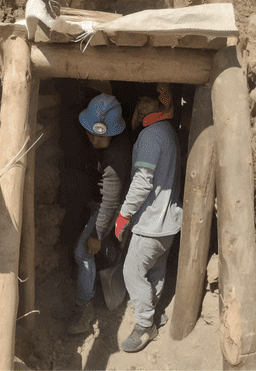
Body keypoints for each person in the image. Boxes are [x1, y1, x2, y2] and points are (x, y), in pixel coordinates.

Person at [115, 83, 183, 353]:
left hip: (152, 224)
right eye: (140, 100)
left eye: (148, 101)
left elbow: (143, 181)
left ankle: (145, 327)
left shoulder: (151, 135)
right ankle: (154, 313)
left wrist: (123, 215)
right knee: (155, 271)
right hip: (169, 223)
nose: (142, 106)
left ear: (162, 105)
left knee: (132, 272)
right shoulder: (168, 131)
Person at [66, 93, 132, 335]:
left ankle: (83, 307)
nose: (94, 139)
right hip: (106, 202)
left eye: (100, 136)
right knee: (92, 244)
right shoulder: (113, 143)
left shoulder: (115, 159)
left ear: (112, 133)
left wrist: (97, 233)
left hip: (111, 207)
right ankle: (110, 251)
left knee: (82, 250)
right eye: (91, 133)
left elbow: (110, 202)